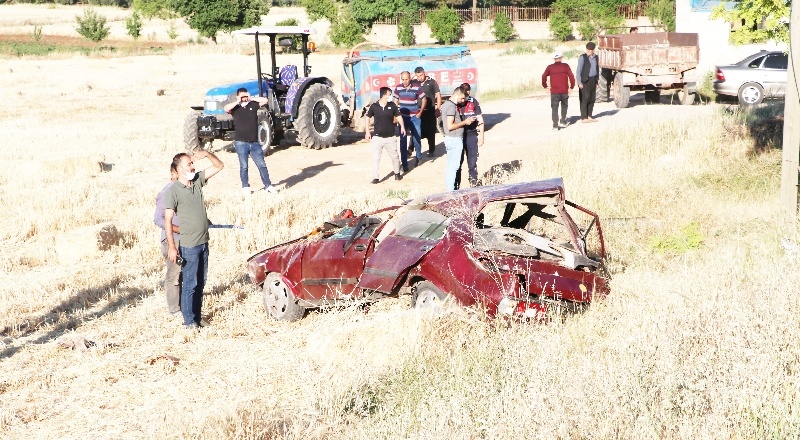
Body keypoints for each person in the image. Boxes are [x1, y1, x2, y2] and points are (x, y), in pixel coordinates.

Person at [164, 150, 224, 329]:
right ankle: (189, 322)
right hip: (189, 246)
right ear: (179, 168)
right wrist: (172, 247)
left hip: (203, 242)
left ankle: (197, 317)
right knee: (190, 284)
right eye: (189, 164)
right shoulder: (173, 191)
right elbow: (167, 221)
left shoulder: (197, 180)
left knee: (201, 282)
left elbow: (219, 166)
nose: (193, 166)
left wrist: (206, 153)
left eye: (192, 163)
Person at [224, 87, 279, 196]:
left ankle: (268, 185)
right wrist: (238, 101)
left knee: (262, 165)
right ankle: (245, 187)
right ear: (238, 96)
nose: (244, 98)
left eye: (245, 96)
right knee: (244, 166)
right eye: (242, 96)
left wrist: (251, 97)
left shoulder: (253, 105)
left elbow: (265, 101)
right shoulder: (235, 108)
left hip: (254, 143)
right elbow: (226, 108)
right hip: (241, 143)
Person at [154, 163, 181, 316]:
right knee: (174, 275)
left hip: (186, 240)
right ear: (173, 173)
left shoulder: (186, 190)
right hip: (172, 240)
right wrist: (178, 230)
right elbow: (158, 219)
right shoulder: (166, 192)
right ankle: (174, 309)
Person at [365, 87, 406, 183]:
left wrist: (402, 126)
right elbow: (367, 117)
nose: (390, 96)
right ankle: (375, 177)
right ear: (384, 95)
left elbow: (398, 116)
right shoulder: (374, 106)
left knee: (395, 157)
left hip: (390, 137)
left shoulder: (392, 106)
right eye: (389, 94)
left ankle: (397, 173)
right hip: (377, 137)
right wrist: (367, 131)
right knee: (375, 158)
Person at [441, 87, 475, 191]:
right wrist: (465, 122)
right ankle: (450, 190)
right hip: (454, 139)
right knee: (454, 166)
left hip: (450, 138)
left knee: (451, 165)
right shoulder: (451, 107)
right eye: (462, 98)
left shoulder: (446, 104)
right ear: (456, 95)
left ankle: (449, 189)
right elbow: (450, 126)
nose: (463, 101)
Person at [454, 83, 484, 190]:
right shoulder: (456, 102)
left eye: (468, 91)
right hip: (459, 137)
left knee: (472, 162)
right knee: (457, 163)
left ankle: (473, 184)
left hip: (471, 135)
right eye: (464, 91)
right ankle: (456, 186)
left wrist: (482, 136)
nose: (466, 93)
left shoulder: (473, 102)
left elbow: (480, 119)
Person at [393, 71, 425, 169]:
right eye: (403, 79)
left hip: (415, 117)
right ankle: (404, 164)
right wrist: (395, 116)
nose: (405, 81)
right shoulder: (398, 88)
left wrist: (420, 112)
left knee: (416, 138)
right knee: (403, 141)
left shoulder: (417, 87)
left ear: (410, 78)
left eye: (406, 79)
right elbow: (395, 101)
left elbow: (424, 99)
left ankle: (418, 157)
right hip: (403, 118)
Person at [542, 52, 576, 131]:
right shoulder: (565, 66)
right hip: (564, 91)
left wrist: (545, 86)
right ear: (561, 58)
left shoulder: (550, 67)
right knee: (564, 106)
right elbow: (571, 77)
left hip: (554, 91)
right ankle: (563, 121)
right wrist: (571, 87)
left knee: (554, 108)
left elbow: (543, 76)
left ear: (554, 59)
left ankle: (555, 126)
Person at [415, 66, 441, 156]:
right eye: (417, 76)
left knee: (431, 132)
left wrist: (438, 109)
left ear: (424, 73)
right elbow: (406, 83)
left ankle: (431, 151)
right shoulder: (415, 82)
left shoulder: (432, 82)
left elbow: (438, 95)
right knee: (417, 130)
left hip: (430, 111)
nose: (419, 78)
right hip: (418, 111)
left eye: (421, 75)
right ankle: (411, 150)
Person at [576, 42, 599, 123]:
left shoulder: (596, 57)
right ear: (586, 49)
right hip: (584, 80)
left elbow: (597, 69)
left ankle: (590, 116)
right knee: (585, 98)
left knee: (592, 98)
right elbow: (578, 71)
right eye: (588, 49)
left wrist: (597, 81)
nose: (590, 51)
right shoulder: (583, 57)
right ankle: (583, 117)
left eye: (591, 50)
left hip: (593, 80)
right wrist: (579, 82)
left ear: (594, 50)